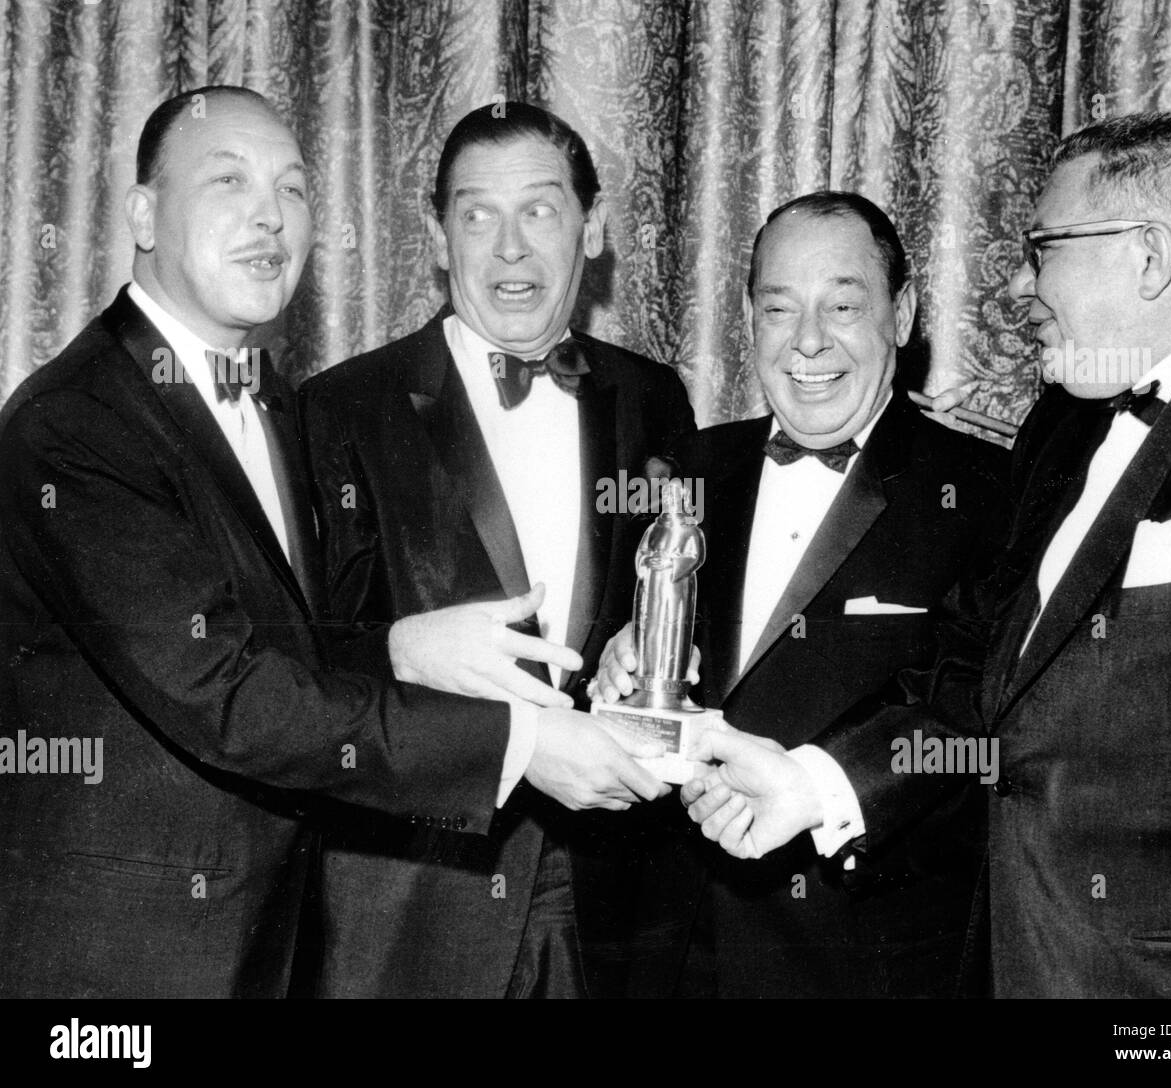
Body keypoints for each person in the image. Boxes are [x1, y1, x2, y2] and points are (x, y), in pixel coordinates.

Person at [0, 86, 652, 999]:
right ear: (144, 214)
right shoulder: (77, 424)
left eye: (295, 189)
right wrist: (518, 740)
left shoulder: (263, 402)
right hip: (125, 964)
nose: (269, 215)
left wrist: (392, 646)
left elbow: (261, 642)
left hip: (258, 943)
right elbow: (229, 694)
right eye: (228, 181)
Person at [687, 113, 1171, 999]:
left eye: (1044, 246)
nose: (1020, 282)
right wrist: (813, 785)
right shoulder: (1060, 429)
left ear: (1151, 257)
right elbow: (974, 679)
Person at [298, 102, 697, 998]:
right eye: (476, 215)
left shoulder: (653, 398)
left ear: (592, 230)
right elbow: (303, 661)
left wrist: (651, 651)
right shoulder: (339, 410)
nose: (508, 247)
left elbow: (670, 599)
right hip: (411, 910)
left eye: (541, 211)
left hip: (611, 904)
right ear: (440, 240)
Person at [593, 191, 1009, 997]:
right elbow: (624, 662)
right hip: (657, 958)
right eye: (779, 308)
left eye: (844, 305)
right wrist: (613, 662)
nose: (809, 341)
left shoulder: (988, 490)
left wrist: (822, 789)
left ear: (903, 313)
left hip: (858, 966)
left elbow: (982, 723)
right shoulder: (687, 468)